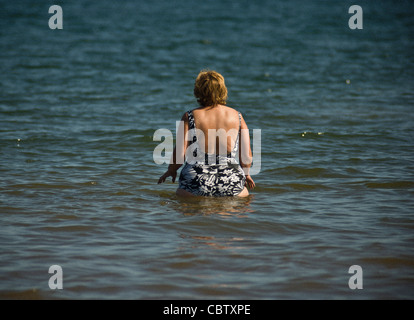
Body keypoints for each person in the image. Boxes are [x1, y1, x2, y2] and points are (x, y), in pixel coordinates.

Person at [158, 70, 255, 197]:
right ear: (223, 90)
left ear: (198, 90)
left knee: (180, 198)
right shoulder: (238, 117)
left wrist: (171, 170)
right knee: (244, 197)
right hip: (231, 180)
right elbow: (246, 157)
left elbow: (179, 156)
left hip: (197, 181)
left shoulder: (190, 116)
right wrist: (246, 174)